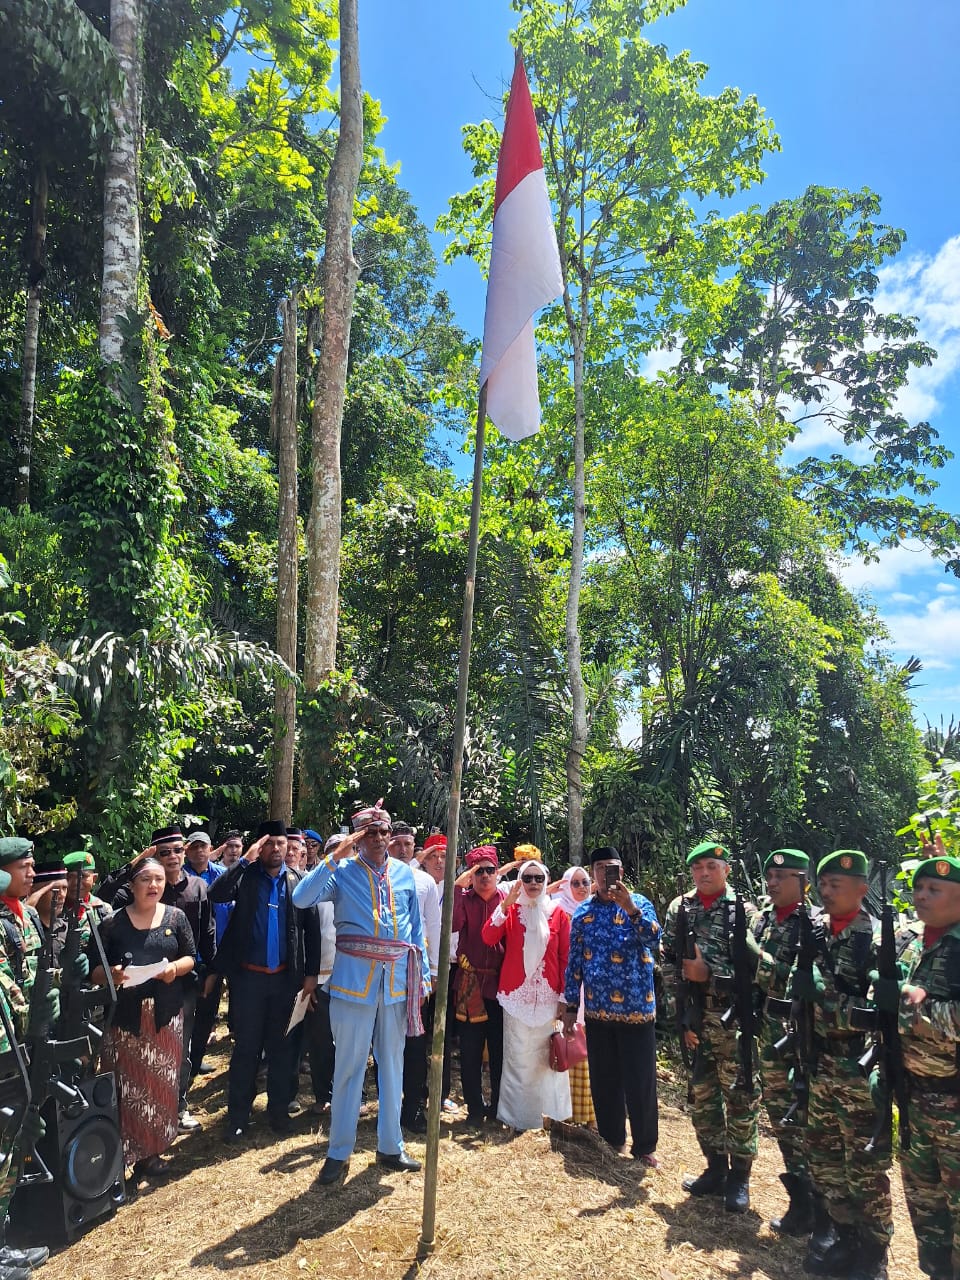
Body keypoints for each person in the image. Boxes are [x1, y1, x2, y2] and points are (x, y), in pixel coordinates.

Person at [292, 801, 430, 1186]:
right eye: (370, 833)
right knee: (349, 1067)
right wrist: (334, 857)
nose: (379, 839)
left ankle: (390, 1145)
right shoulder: (341, 872)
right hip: (354, 984)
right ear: (357, 836)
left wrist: (424, 979)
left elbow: (415, 930)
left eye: (384, 832)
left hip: (397, 984)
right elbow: (302, 898)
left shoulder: (405, 874)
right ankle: (338, 1151)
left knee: (392, 1066)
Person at [790, 849, 891, 1280]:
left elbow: (879, 1014)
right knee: (826, 1158)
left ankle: (873, 1249)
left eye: (837, 885)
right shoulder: (814, 931)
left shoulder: (878, 940)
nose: (827, 892)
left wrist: (826, 998)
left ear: (862, 890)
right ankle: (845, 1236)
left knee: (864, 1167)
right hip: (817, 1063)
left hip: (856, 1066)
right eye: (824, 884)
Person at [662, 840, 761, 1212]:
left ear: (726, 870)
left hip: (735, 1021)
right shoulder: (680, 908)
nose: (704, 873)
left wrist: (712, 975)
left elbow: (759, 972)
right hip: (696, 1021)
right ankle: (715, 1168)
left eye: (711, 867)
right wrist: (682, 1014)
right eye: (697, 867)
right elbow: (668, 960)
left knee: (741, 1100)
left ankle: (740, 1177)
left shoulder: (745, 913)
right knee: (702, 1098)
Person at [209, 820, 320, 1141]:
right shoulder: (246, 878)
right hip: (248, 982)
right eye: (269, 844)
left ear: (289, 848)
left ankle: (279, 1113)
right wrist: (245, 859)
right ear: (261, 846)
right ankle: (238, 1118)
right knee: (246, 1050)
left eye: (281, 844)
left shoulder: (298, 882)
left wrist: (310, 976)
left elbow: (311, 932)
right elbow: (216, 894)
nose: (275, 849)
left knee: (283, 1051)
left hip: (286, 982)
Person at [91, 857, 196, 1180]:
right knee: (127, 1085)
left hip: (164, 1015)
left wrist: (173, 970)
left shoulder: (176, 918)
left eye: (159, 880)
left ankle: (152, 1153)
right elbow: (94, 971)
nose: (153, 886)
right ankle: (120, 1153)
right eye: (146, 880)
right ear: (132, 885)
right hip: (125, 1019)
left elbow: (191, 957)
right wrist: (112, 974)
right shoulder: (112, 923)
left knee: (160, 1085)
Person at [110, 828, 215, 1133]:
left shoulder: (197, 887)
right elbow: (106, 894)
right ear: (154, 854)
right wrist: (137, 863)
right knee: (140, 1053)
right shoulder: (139, 887)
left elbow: (207, 934)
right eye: (164, 851)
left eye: (177, 850)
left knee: (178, 1051)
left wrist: (210, 973)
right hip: (137, 989)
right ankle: (137, 1114)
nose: (172, 856)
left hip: (182, 982)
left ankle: (176, 1108)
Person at [889, 842, 960, 1280]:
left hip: (955, 1105)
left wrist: (914, 1010)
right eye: (918, 888)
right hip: (914, 1099)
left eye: (935, 888)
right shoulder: (908, 942)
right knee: (924, 1202)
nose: (921, 896)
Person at [562, 847, 661, 1163]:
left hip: (637, 1009)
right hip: (597, 1010)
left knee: (640, 1081)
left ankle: (644, 1147)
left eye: (613, 867)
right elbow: (574, 962)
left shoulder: (640, 904)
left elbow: (656, 939)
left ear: (622, 871)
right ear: (593, 873)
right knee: (604, 1080)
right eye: (601, 868)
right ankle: (611, 1141)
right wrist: (568, 1007)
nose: (607, 875)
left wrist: (630, 907)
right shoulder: (583, 913)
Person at [0, 841, 63, 1276]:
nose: (31, 872)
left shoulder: (22, 915)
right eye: (24, 866)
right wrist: (30, 1014)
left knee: (14, 1140)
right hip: (5, 1047)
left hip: (21, 1047)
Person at [751, 848, 819, 1235]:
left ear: (802, 882)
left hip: (800, 1036)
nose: (773, 883)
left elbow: (785, 979)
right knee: (781, 1117)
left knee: (808, 1120)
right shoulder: (762, 919)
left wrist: (752, 952)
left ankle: (822, 1207)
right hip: (768, 1033)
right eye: (770, 878)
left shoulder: (810, 924)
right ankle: (800, 1201)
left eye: (783, 877)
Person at [481, 857, 571, 1131]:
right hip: (516, 996)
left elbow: (565, 957)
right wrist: (505, 905)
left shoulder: (557, 913)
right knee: (518, 1058)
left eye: (538, 879)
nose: (533, 883)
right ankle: (517, 1119)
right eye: (527, 878)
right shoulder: (511, 910)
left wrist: (565, 1000)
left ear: (545, 881)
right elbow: (488, 937)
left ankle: (545, 1117)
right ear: (520, 881)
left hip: (548, 997)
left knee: (545, 1059)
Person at [389, 823, 441, 1134]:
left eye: (408, 844)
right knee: (385, 1043)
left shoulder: (424, 882)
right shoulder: (377, 878)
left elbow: (433, 928)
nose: (404, 849)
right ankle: (389, 1105)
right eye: (398, 844)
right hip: (384, 973)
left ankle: (413, 1108)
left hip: (415, 973)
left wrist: (432, 972)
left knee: (415, 1043)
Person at [452, 845, 508, 1126]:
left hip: (500, 987)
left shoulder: (508, 900)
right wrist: (456, 889)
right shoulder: (464, 899)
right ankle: (474, 1109)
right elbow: (451, 924)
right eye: (478, 871)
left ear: (497, 873)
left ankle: (498, 1107)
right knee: (471, 1051)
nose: (485, 876)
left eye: (490, 870)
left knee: (499, 1051)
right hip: (470, 983)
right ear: (471, 875)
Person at [549, 865, 596, 1128]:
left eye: (585, 882)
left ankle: (590, 1115)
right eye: (575, 883)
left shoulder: (596, 910)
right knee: (568, 1049)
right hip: (567, 988)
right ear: (566, 885)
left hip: (593, 990)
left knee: (591, 1053)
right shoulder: (556, 910)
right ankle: (564, 1114)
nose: (581, 888)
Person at [182, 831, 229, 1081]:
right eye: (195, 847)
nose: (199, 851)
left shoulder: (222, 876)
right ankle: (181, 1062)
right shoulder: (179, 878)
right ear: (187, 850)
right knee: (185, 1013)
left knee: (207, 1013)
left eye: (204, 847)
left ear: (210, 848)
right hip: (186, 958)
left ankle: (196, 1061)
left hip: (216, 956)